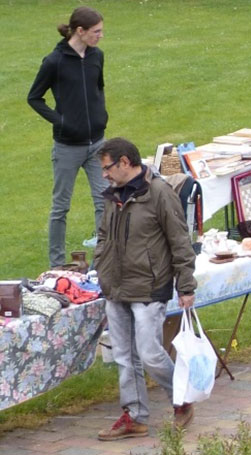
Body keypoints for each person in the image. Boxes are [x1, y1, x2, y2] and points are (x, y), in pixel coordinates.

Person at [93, 137, 197, 441]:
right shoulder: (113, 195)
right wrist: (101, 264)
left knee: (151, 354)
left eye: (107, 168)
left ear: (125, 162)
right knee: (124, 357)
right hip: (116, 286)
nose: (104, 174)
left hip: (150, 287)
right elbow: (103, 235)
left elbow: (180, 241)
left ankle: (182, 399)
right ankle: (134, 417)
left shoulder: (159, 193)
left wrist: (186, 285)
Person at [28, 6, 110, 268]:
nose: (101, 36)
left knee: (104, 201)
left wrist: (101, 116)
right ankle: (56, 264)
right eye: (96, 31)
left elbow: (98, 89)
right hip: (67, 147)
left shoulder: (97, 56)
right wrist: (61, 121)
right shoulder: (54, 62)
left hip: (97, 143)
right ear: (80, 31)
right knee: (61, 207)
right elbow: (34, 98)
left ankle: (103, 260)